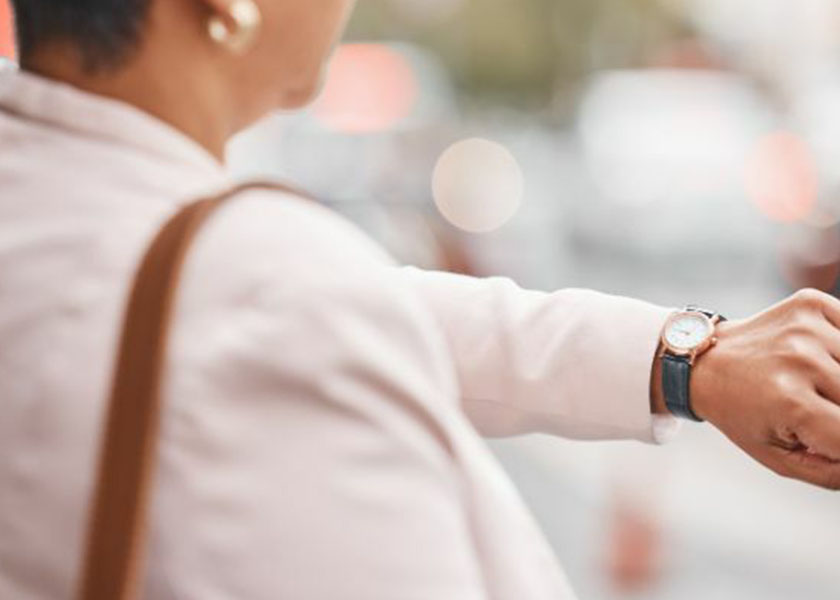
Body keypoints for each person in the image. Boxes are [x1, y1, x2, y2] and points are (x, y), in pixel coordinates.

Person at [1, 1, 839, 599]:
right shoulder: (258, 281)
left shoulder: (43, 194)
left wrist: (687, 359)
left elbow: (375, 312)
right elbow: (306, 311)